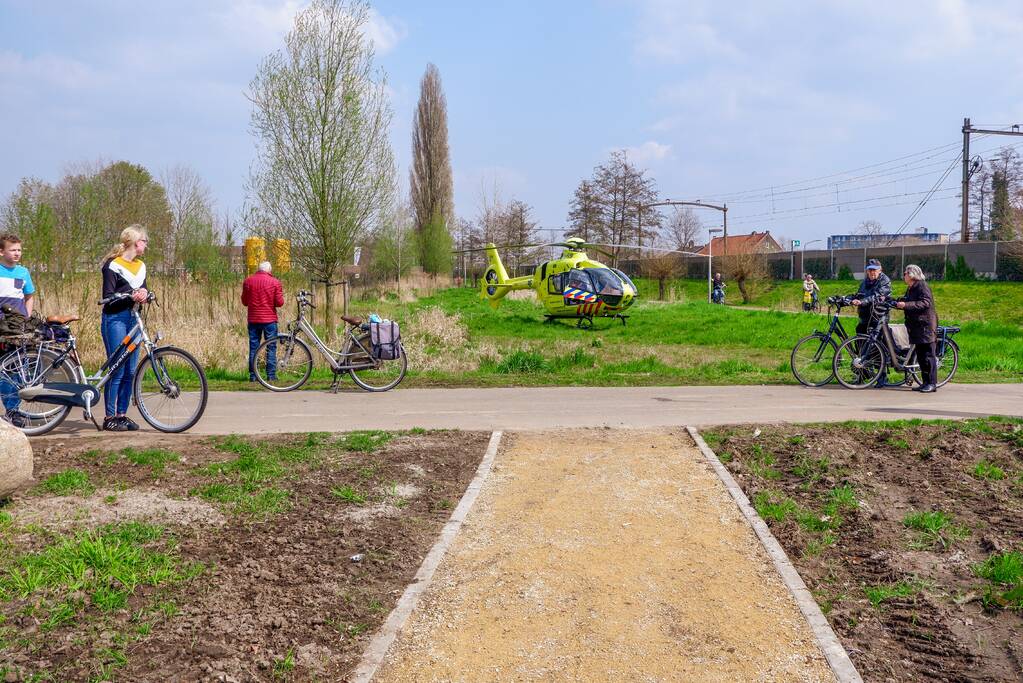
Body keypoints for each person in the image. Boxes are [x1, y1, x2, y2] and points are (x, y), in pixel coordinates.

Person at [100, 225, 149, 432]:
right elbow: (108, 297)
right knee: (117, 368)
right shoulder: (112, 265)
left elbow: (144, 287)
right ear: (136, 242)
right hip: (116, 319)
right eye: (145, 241)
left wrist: (145, 293)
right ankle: (110, 416)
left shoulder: (141, 266)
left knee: (130, 370)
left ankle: (122, 414)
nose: (146, 245)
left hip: (133, 318)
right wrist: (130, 295)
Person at [0, 233, 36, 427]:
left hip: (18, 327)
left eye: (19, 250)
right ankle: (12, 409)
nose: (17, 253)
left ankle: (13, 410)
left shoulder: (23, 272)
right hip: (2, 327)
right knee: (4, 370)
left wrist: (27, 317)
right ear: (1, 251)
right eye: (12, 250)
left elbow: (29, 295)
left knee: (16, 369)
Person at [849, 258, 892, 387]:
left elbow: (877, 296)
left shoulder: (885, 281)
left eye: (874, 270)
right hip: (865, 318)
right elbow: (859, 294)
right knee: (861, 346)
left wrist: (862, 301)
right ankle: (863, 374)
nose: (871, 272)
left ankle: (882, 377)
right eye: (869, 270)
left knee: (876, 347)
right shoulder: (865, 282)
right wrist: (848, 298)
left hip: (878, 318)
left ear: (880, 270)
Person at [896, 264, 939, 393]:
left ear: (912, 275)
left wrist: (906, 304)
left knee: (928, 356)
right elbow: (908, 300)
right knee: (920, 356)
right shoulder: (911, 288)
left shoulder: (922, 286)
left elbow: (926, 303)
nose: (903, 275)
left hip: (925, 326)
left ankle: (932, 383)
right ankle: (925, 382)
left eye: (905, 273)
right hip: (916, 326)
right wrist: (896, 302)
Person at [242, 261, 284, 382]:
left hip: (253, 319)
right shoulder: (275, 282)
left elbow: (244, 302)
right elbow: (279, 303)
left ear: (259, 269)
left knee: (253, 347)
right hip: (269, 320)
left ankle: (253, 376)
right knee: (271, 347)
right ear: (269, 270)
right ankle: (271, 376)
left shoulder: (248, 281)